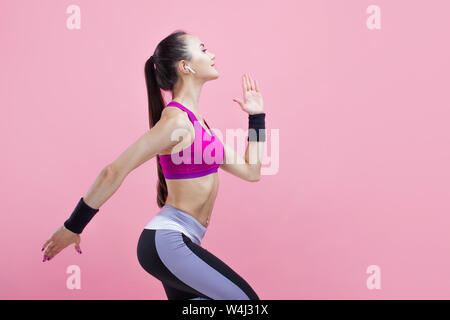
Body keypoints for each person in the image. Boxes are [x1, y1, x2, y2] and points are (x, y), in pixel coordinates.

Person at [41, 30, 266, 300]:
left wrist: (256, 117)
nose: (212, 54)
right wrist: (73, 226)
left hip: (183, 242)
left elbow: (251, 171)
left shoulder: (199, 125)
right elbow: (115, 170)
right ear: (186, 66)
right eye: (204, 49)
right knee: (245, 303)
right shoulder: (177, 122)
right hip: (168, 242)